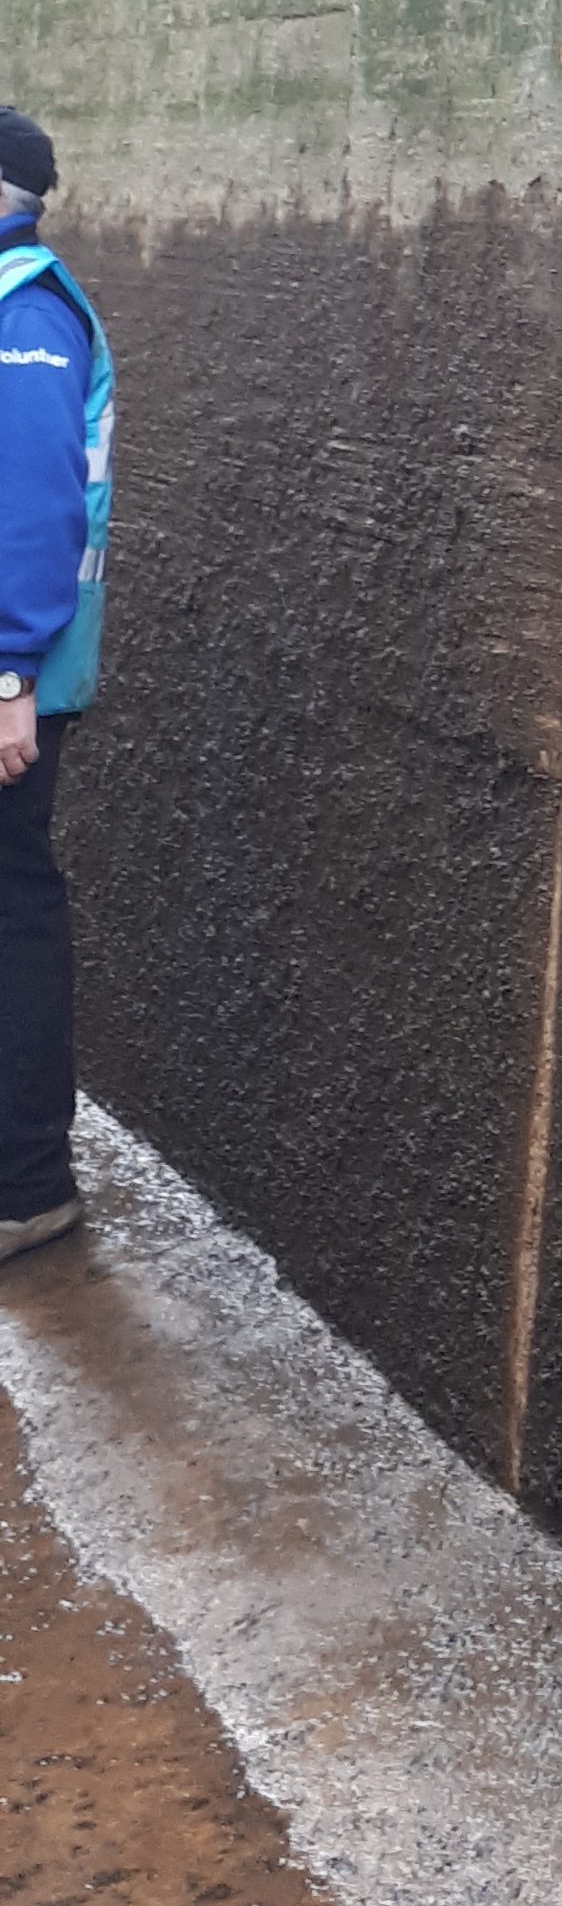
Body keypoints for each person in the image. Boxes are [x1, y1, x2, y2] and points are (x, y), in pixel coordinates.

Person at [0, 104, 112, 1265]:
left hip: (10, 677)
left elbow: (34, 504)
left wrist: (7, 674)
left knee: (12, 910)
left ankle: (26, 1185)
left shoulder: (27, 313)